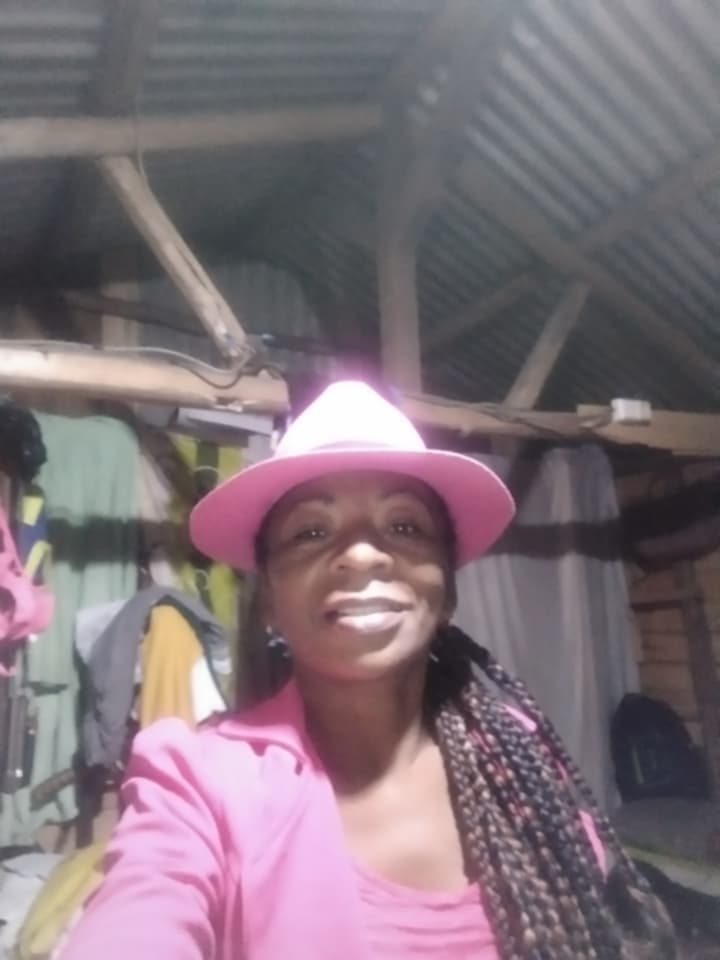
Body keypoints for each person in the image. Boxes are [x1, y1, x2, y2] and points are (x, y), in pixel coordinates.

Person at [59, 381, 675, 960]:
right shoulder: (199, 782)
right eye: (311, 531)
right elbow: (142, 910)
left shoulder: (514, 754)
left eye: (404, 525)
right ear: (269, 598)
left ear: (447, 590)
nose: (360, 554)